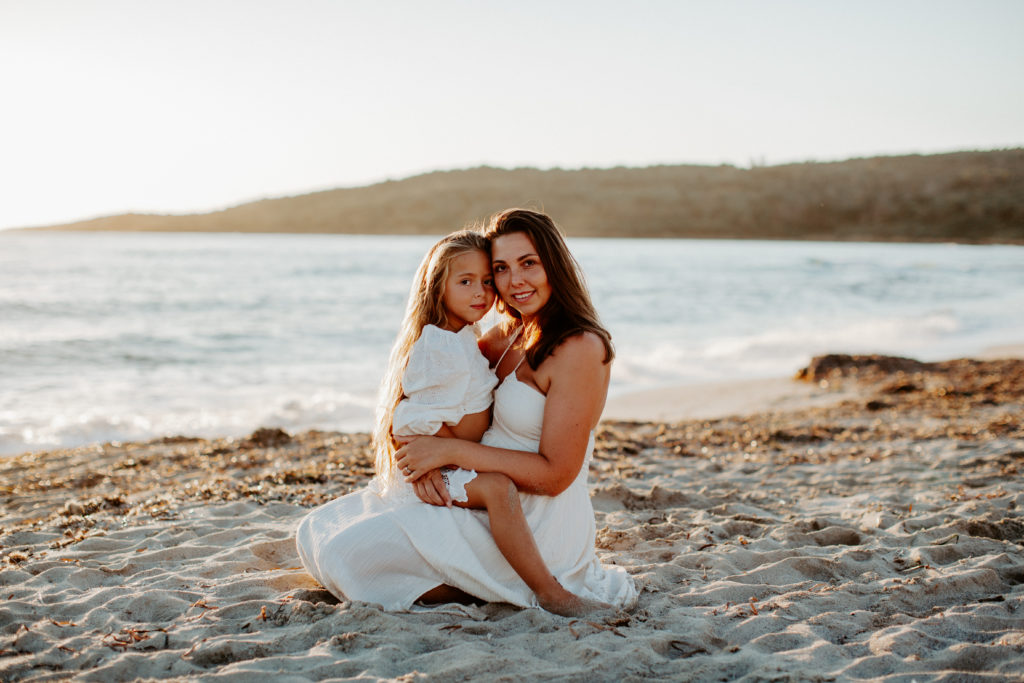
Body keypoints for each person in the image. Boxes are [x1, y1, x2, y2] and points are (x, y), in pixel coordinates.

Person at [295, 210, 636, 614]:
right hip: (480, 495)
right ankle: (476, 579)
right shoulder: (504, 337)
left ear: (555, 265)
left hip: (536, 518)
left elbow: (556, 476)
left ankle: (513, 588)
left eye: (529, 263)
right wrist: (419, 461)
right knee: (316, 531)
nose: (514, 282)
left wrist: (450, 454)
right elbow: (428, 396)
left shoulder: (580, 347)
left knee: (350, 555)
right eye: (501, 269)